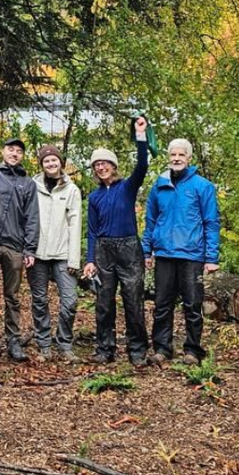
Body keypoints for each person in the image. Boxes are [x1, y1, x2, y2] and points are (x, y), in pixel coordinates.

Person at [144, 138, 221, 366]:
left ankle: (192, 351)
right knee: (162, 304)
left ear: (189, 158)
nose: (176, 159)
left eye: (181, 155)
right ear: (168, 157)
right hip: (164, 255)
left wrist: (211, 257)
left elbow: (211, 222)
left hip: (192, 255)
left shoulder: (202, 186)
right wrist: (146, 250)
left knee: (193, 305)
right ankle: (162, 348)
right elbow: (150, 220)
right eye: (173, 155)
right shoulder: (159, 185)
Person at [86, 117, 151, 365]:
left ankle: (137, 350)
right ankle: (105, 349)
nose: (101, 167)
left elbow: (142, 165)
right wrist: (90, 260)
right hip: (104, 250)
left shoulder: (127, 187)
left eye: (105, 163)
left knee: (133, 301)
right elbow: (92, 231)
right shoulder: (94, 197)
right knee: (104, 303)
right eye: (97, 165)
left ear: (113, 166)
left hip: (129, 249)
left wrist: (140, 135)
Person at [0, 136, 39, 362]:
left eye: (19, 151)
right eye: (10, 149)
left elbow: (32, 218)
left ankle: (13, 340)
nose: (14, 154)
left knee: (13, 296)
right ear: (3, 151)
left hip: (15, 246)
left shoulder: (27, 183)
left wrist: (30, 248)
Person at [30, 145, 81, 363]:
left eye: (54, 160)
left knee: (70, 301)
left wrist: (74, 259)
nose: (51, 164)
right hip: (37, 254)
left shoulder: (71, 190)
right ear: (42, 165)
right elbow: (26, 219)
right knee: (39, 300)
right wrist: (27, 250)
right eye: (46, 161)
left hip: (62, 254)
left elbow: (75, 224)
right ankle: (44, 344)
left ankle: (64, 343)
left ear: (60, 162)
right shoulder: (33, 186)